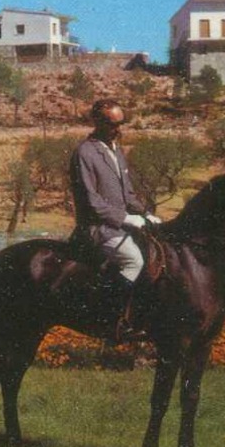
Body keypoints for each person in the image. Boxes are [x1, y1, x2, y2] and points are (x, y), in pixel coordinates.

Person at [69, 98, 160, 342]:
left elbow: (127, 195)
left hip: (121, 224)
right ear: (97, 122)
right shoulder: (85, 153)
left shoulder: (116, 150)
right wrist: (127, 219)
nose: (118, 129)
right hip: (98, 229)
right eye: (113, 124)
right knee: (134, 260)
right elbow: (92, 201)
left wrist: (145, 214)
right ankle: (111, 319)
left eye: (122, 123)